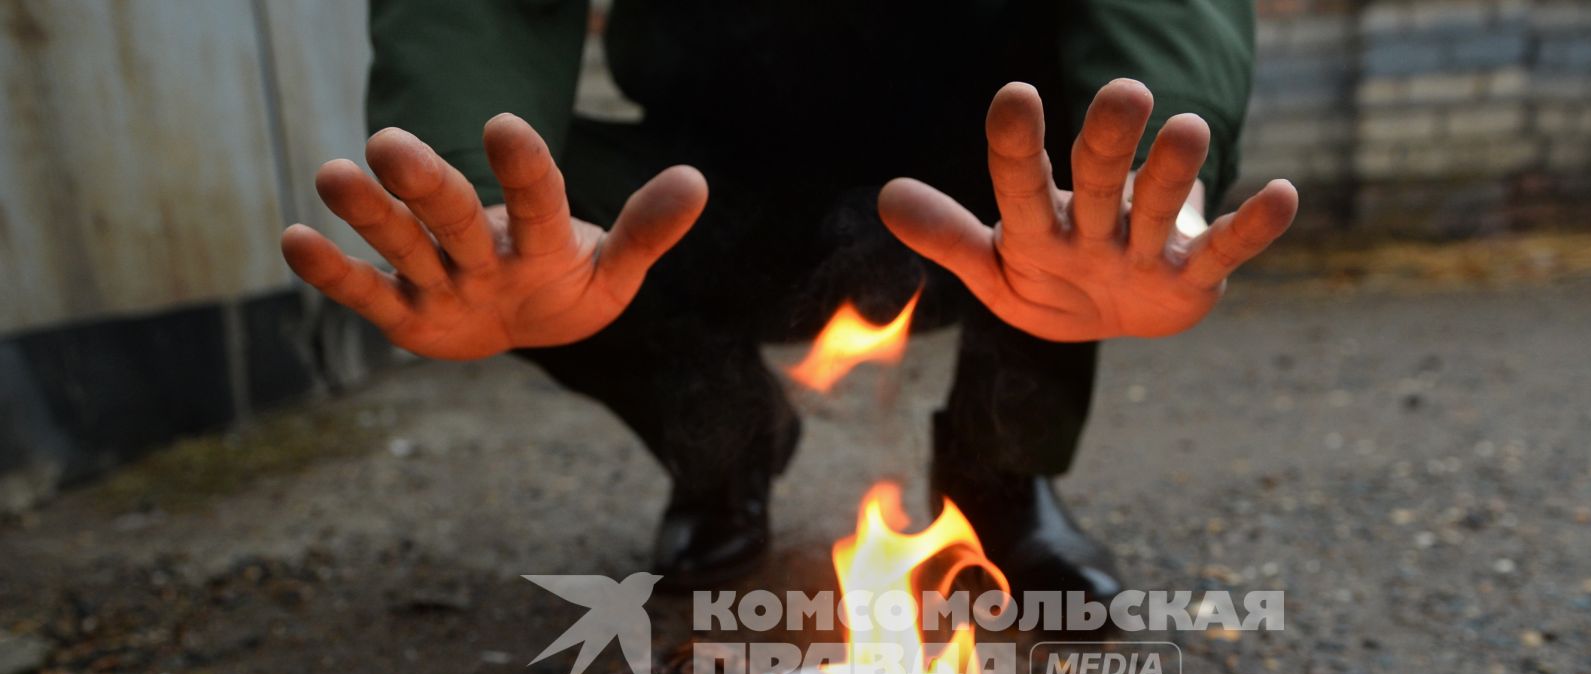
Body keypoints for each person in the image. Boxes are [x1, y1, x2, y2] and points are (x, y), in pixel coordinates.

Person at [281, 2, 1296, 594]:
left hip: (975, 176)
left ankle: (1001, 471)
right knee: (525, 236)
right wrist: (481, 193)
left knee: (1075, 205)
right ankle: (727, 445)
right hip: (716, 175)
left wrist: (1165, 178)